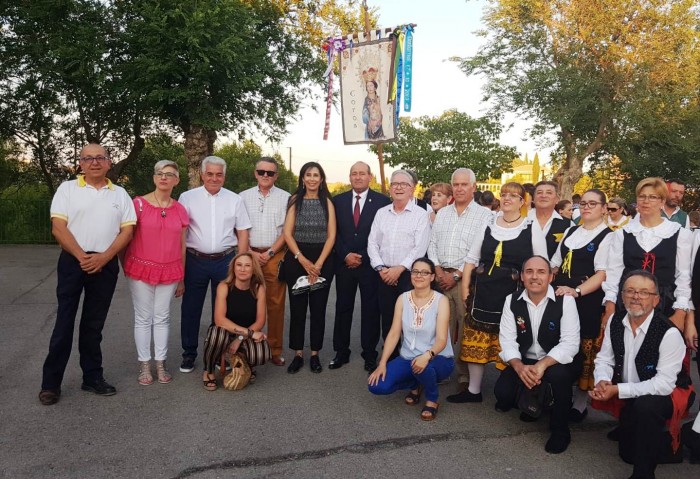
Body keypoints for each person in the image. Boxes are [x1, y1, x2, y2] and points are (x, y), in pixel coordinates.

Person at [39, 144, 136, 405]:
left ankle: (92, 378)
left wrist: (104, 257)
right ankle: (51, 384)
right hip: (73, 262)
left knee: (93, 325)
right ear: (80, 163)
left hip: (105, 265)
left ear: (109, 162)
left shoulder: (121, 194)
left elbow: (127, 232)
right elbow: (58, 228)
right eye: (88, 158)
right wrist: (82, 256)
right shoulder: (67, 189)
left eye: (100, 157)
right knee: (64, 323)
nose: (94, 162)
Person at [448, 182, 548, 404]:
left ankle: (507, 390)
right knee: (478, 341)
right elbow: (471, 260)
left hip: (513, 295)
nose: (507, 198)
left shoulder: (531, 227)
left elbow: (540, 264)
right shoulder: (488, 223)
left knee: (511, 340)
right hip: (483, 293)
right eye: (503, 195)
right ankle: (473, 390)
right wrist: (465, 291)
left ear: (522, 202)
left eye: (513, 195)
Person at [591, 270, 692, 479]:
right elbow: (605, 358)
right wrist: (602, 380)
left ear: (655, 300)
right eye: (630, 290)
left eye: (644, 292)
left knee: (646, 407)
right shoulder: (615, 320)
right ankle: (652, 439)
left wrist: (617, 389)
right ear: (622, 296)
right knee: (628, 454)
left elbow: (664, 385)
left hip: (667, 394)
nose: (636, 296)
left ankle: (646, 473)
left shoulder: (669, 333)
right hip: (632, 390)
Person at [495, 255, 581, 454]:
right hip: (525, 360)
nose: (535, 277)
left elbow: (570, 344)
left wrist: (542, 365)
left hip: (556, 361)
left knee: (558, 377)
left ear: (551, 277)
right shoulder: (512, 300)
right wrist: (519, 366)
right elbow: (507, 340)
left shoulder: (565, 301)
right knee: (502, 394)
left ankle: (560, 430)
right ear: (522, 277)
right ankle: (534, 403)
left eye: (541, 272)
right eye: (529, 272)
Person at [178, 156, 251, 373]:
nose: (214, 178)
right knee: (191, 309)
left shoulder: (234, 199)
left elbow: (243, 232)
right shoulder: (187, 197)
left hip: (225, 261)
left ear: (224, 176)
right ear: (202, 174)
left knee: (223, 310)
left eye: (219, 174)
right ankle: (189, 354)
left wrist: (243, 264)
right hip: (195, 260)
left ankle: (219, 353)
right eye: (209, 173)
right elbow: (181, 234)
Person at [123, 160, 189, 385]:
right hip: (141, 268)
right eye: (160, 173)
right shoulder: (138, 204)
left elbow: (182, 244)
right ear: (154, 178)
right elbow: (126, 235)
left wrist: (181, 276)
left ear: (176, 180)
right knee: (143, 318)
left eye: (169, 174)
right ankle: (144, 365)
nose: (164, 177)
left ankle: (160, 363)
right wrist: (125, 264)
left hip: (170, 270)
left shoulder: (180, 209)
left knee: (162, 317)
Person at [428, 168, 493, 393]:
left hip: (464, 279)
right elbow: (432, 243)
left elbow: (482, 251)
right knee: (438, 328)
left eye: (465, 184)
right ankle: (439, 370)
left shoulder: (485, 216)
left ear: (474, 187)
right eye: (456, 184)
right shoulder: (443, 213)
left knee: (465, 327)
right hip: (438, 277)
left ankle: (465, 375)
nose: (459, 188)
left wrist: (456, 275)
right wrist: (437, 270)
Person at [551, 189, 613, 421]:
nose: (586, 207)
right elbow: (556, 264)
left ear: (604, 208)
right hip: (561, 295)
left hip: (586, 298)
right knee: (560, 341)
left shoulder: (608, 236)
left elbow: (602, 274)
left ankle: (579, 402)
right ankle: (557, 394)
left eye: (593, 203)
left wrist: (576, 291)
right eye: (583, 203)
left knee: (584, 347)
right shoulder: (571, 230)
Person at [368, 258, 454, 421]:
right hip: (409, 357)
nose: (419, 276)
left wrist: (426, 355)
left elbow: (442, 339)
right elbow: (394, 333)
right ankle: (416, 384)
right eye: (415, 272)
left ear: (432, 277)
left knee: (424, 367)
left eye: (424, 273)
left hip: (438, 358)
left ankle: (432, 399)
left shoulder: (440, 301)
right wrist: (382, 363)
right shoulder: (402, 299)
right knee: (376, 386)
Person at [602, 177, 692, 331]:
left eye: (652, 197)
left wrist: (680, 312)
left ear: (662, 201)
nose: (646, 201)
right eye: (642, 196)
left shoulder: (679, 233)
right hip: (628, 302)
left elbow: (683, 276)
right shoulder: (623, 233)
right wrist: (610, 306)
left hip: (665, 303)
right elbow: (613, 273)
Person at [330, 162, 390, 372]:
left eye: (362, 173)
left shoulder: (383, 202)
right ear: (349, 177)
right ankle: (341, 351)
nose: (358, 177)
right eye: (354, 173)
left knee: (371, 309)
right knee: (343, 307)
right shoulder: (337, 201)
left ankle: (369, 353)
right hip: (344, 264)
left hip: (370, 264)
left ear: (370, 177)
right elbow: (333, 232)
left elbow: (383, 235)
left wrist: (363, 256)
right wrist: (345, 254)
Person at [368, 170, 431, 350]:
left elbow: (419, 247)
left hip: (409, 276)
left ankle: (412, 359)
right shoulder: (381, 213)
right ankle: (390, 359)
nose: (399, 187)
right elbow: (372, 243)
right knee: (387, 319)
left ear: (412, 189)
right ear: (390, 188)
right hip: (384, 274)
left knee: (411, 320)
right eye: (395, 184)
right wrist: (381, 268)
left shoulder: (420, 215)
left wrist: (400, 268)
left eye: (404, 184)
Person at [283, 162, 336, 374]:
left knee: (318, 308)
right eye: (308, 175)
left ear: (321, 179)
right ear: (303, 178)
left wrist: (319, 264)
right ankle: (297, 353)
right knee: (297, 309)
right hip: (297, 258)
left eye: (316, 175)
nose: (312, 178)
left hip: (322, 259)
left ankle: (314, 353)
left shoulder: (328, 203)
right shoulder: (294, 200)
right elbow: (288, 233)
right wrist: (302, 259)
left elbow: (332, 235)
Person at [239, 157, 290, 367]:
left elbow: (288, 230)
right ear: (255, 173)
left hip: (274, 255)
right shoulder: (242, 197)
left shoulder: (286, 198)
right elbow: (239, 228)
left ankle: (274, 350)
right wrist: (249, 252)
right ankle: (246, 347)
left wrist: (270, 252)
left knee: (275, 304)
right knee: (245, 302)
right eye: (262, 172)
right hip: (248, 255)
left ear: (276, 175)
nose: (266, 176)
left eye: (270, 172)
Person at [201, 252, 267, 391]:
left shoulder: (258, 288)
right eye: (239, 265)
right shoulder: (224, 286)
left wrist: (240, 338)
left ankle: (245, 364)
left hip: (245, 334)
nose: (242, 269)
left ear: (253, 269)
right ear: (233, 268)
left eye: (247, 266)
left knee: (262, 352)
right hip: (224, 331)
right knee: (216, 335)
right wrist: (248, 333)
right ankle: (209, 370)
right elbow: (219, 320)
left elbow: (260, 321)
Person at [528, 181, 573, 260]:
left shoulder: (569, 225)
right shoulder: (521, 221)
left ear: (557, 199)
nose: (543, 196)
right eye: (539, 192)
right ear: (533, 199)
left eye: (549, 193)